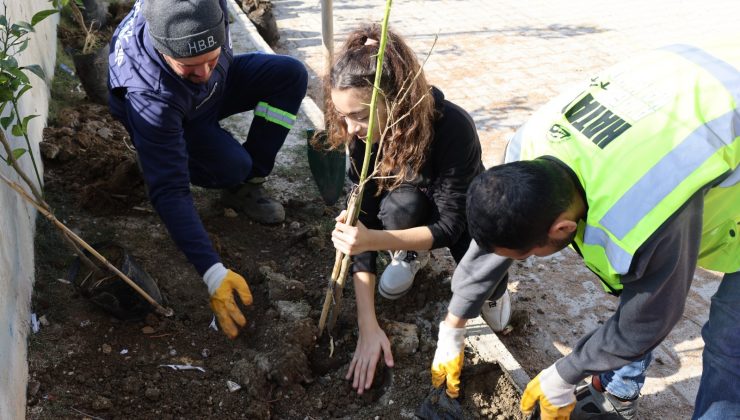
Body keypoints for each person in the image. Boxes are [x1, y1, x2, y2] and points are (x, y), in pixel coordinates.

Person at [430, 39, 740, 419]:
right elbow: (498, 240)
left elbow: (650, 314)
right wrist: (454, 325)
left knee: (730, 344)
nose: (523, 259)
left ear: (563, 228)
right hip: (678, 81)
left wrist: (565, 374)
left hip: (714, 120)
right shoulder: (528, 150)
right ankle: (620, 391)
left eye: (528, 254)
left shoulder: (647, 206)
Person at [326, 24, 510, 396]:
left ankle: (496, 292)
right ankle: (408, 253)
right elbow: (363, 223)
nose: (350, 128)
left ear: (393, 101)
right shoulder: (363, 137)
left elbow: (450, 226)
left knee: (480, 262)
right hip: (415, 200)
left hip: (467, 211)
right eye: (342, 115)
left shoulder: (453, 127)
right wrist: (368, 326)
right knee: (397, 207)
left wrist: (372, 240)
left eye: (359, 115)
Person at [107, 0, 307, 339]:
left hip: (204, 96)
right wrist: (213, 273)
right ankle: (160, 155)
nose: (203, 73)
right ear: (163, 49)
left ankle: (250, 182)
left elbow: (203, 68)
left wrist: (206, 67)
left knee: (289, 74)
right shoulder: (151, 98)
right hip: (175, 113)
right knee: (231, 167)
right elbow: (170, 192)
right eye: (189, 65)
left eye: (211, 59)